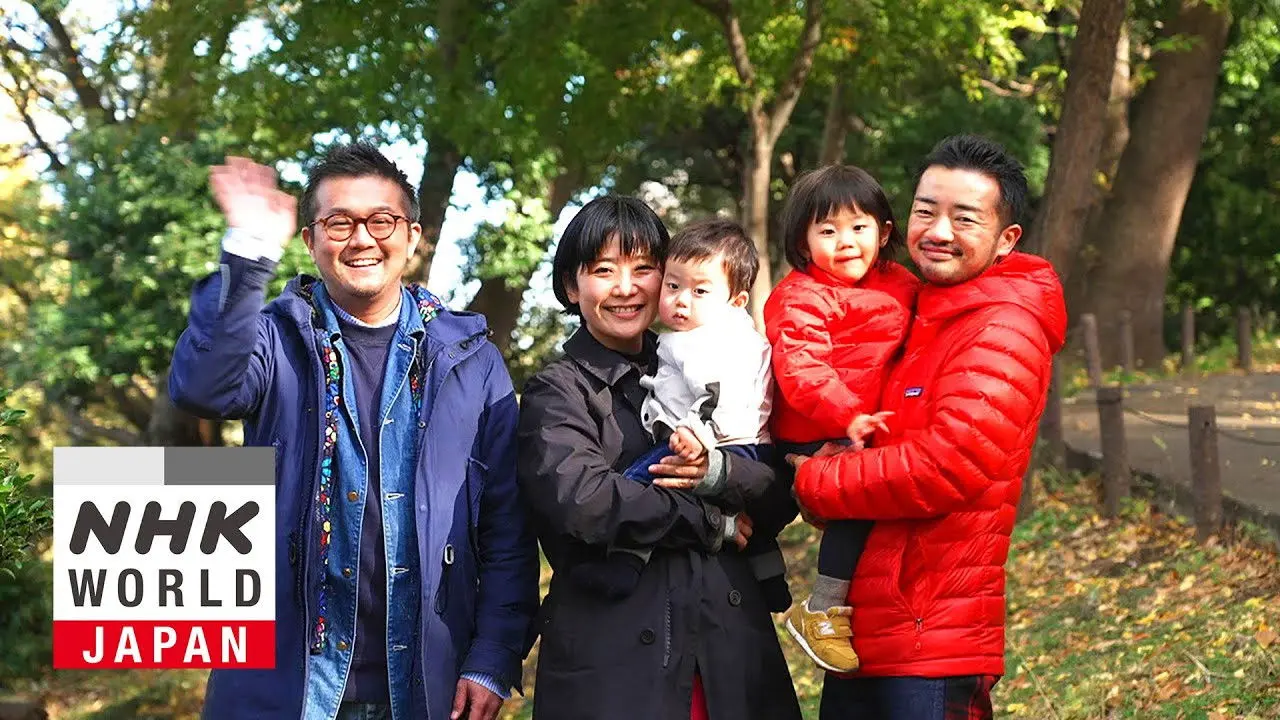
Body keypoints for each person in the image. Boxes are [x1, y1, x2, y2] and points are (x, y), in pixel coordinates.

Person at [169, 144, 539, 720]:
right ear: (311, 241)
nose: (362, 239)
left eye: (381, 221)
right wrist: (248, 254)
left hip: (425, 687)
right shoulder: (273, 339)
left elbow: (505, 525)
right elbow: (204, 389)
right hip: (286, 690)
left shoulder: (471, 360)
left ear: (413, 236)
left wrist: (491, 656)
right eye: (339, 223)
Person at [787, 135, 1067, 720]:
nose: (938, 230)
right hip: (871, 632)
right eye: (924, 210)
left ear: (1005, 239)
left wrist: (818, 481)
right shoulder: (919, 314)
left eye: (964, 218)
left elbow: (946, 466)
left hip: (931, 638)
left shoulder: (1002, 327)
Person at [516, 196, 802, 720]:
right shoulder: (557, 392)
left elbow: (780, 491)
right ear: (570, 286)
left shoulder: (716, 362)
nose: (627, 288)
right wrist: (711, 521)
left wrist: (723, 471)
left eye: (644, 268)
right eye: (604, 270)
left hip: (730, 653)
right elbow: (584, 501)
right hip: (617, 671)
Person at [568, 218, 792, 611]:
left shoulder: (710, 342)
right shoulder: (708, 337)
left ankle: (627, 561)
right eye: (673, 286)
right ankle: (770, 575)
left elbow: (715, 395)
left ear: (736, 300)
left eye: (700, 291)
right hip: (737, 444)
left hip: (714, 439)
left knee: (642, 479)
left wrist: (695, 435)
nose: (681, 300)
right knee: (745, 517)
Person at [763, 164, 921, 673]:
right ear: (804, 244)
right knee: (860, 497)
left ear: (884, 232)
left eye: (859, 227)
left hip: (869, 426)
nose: (846, 242)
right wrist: (849, 413)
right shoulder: (799, 296)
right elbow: (802, 369)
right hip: (814, 432)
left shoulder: (901, 283)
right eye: (827, 231)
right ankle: (823, 607)